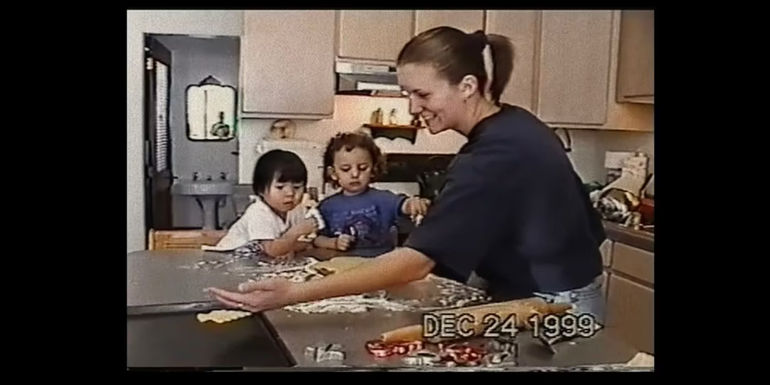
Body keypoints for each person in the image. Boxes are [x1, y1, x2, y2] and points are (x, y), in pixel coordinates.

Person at [207, 27, 607, 322]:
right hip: (555, 287)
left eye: (423, 94)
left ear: (468, 86)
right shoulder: (516, 124)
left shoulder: (496, 152)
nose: (413, 107)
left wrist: (295, 293)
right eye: (407, 94)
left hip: (552, 302)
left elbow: (416, 262)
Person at [310, 131, 430, 257]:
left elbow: (404, 205)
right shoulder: (327, 206)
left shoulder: (383, 199)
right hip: (342, 268)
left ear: (373, 169)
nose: (355, 174)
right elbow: (316, 239)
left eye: (362, 168)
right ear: (333, 173)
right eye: (346, 169)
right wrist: (333, 243)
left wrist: (414, 203)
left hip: (380, 266)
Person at [214, 149, 318, 259]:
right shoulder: (258, 212)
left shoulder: (297, 209)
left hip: (260, 258)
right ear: (261, 190)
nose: (290, 193)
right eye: (280, 187)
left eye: (297, 187)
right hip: (233, 257)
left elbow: (299, 243)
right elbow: (272, 250)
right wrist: (295, 232)